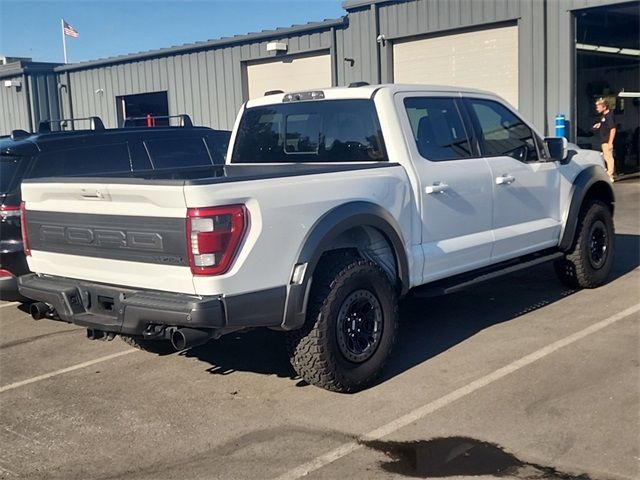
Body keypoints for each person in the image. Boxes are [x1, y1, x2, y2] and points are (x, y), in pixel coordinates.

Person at [592, 98, 616, 182]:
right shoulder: (603, 116)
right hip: (604, 140)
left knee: (609, 158)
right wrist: (599, 125)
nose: (597, 109)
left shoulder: (609, 116)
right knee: (605, 157)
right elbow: (605, 124)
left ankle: (610, 174)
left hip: (607, 140)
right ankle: (609, 172)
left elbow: (612, 129)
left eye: (598, 107)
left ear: (604, 107)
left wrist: (610, 142)